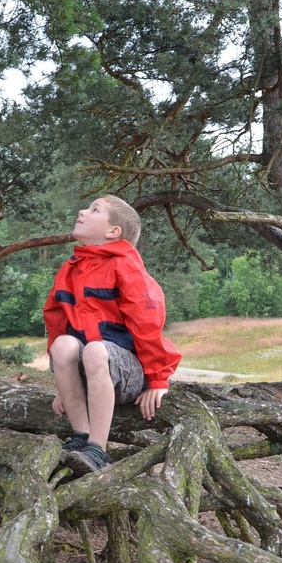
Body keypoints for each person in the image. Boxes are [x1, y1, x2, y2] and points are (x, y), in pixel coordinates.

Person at [43, 195, 182, 476]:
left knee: (95, 349)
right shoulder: (70, 268)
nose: (82, 211)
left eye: (94, 210)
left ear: (113, 231)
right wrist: (65, 388)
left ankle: (98, 449)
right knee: (63, 344)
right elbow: (56, 322)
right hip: (89, 373)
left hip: (125, 374)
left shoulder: (125, 266)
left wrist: (157, 379)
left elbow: (147, 323)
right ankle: (80, 435)